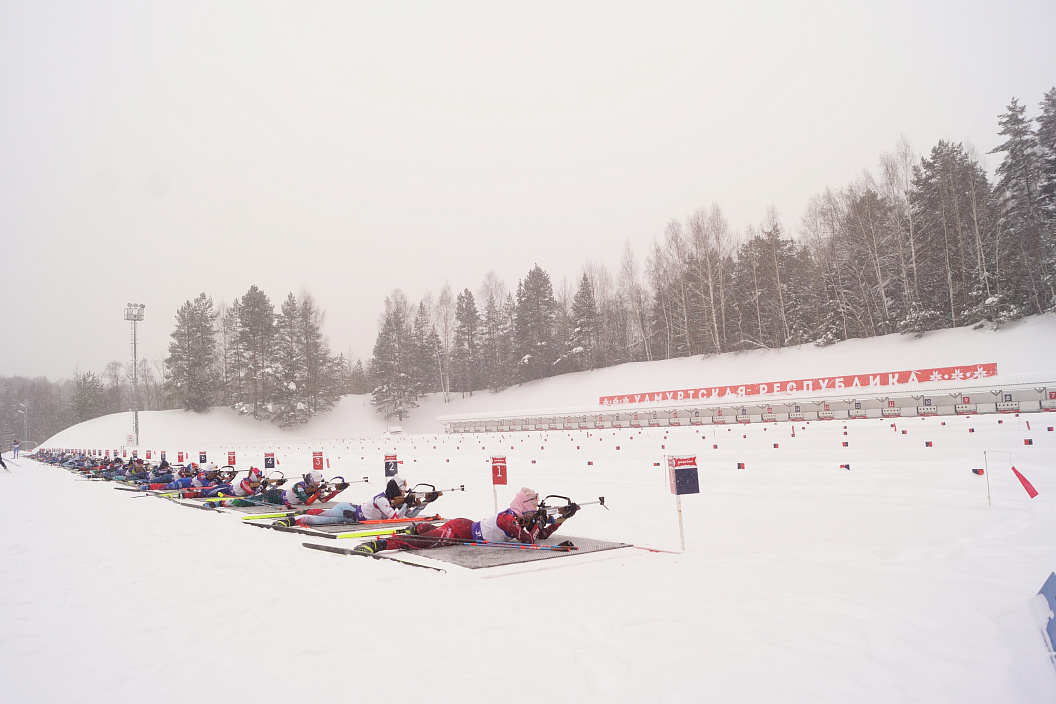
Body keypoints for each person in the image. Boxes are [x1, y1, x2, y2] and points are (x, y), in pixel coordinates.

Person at [353, 487, 578, 554]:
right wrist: (539, 523)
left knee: (429, 534)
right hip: (461, 531)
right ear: (525, 506)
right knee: (421, 543)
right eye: (534, 506)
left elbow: (541, 535)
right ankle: (380, 544)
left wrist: (561, 519)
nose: (536, 510)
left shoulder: (518, 517)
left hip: (464, 527)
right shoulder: (508, 518)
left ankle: (419, 527)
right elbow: (528, 540)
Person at [278, 475, 428, 527]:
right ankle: (292, 520)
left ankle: (302, 513)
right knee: (320, 520)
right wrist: (407, 503)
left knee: (323, 515)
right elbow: (396, 519)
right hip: (347, 511)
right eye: (402, 491)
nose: (403, 494)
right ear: (395, 490)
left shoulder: (391, 500)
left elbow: (408, 515)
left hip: (352, 514)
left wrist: (424, 503)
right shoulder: (383, 500)